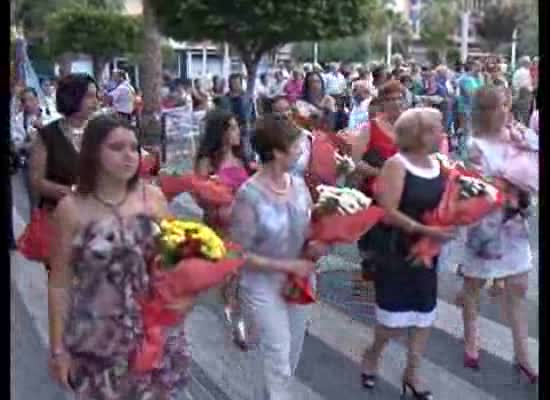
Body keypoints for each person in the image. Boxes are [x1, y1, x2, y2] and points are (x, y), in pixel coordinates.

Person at [47, 115, 191, 399]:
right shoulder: (71, 209)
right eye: (117, 147)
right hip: (98, 338)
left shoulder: (154, 198)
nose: (129, 156)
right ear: (93, 153)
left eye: (134, 147)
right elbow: (59, 284)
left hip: (156, 332)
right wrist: (58, 348)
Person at [230, 114, 327, 400]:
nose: (301, 151)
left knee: (290, 357)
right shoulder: (249, 194)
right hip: (262, 284)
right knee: (278, 356)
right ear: (276, 152)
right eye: (295, 146)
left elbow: (309, 227)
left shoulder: (297, 185)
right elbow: (239, 253)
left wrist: (321, 241)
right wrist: (286, 264)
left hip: (299, 281)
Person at [359, 108, 454, 399]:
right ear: (420, 134)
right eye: (438, 128)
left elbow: (448, 200)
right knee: (391, 321)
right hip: (397, 251)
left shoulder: (439, 163)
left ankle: (412, 373)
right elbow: (387, 212)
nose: (443, 134)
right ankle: (372, 355)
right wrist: (424, 230)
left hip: (427, 253)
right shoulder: (396, 165)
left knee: (423, 315)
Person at [459, 88, 538, 383]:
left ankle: (523, 356)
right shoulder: (475, 145)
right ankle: (471, 339)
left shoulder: (520, 136)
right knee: (474, 285)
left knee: (517, 287)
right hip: (486, 228)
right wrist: (510, 180)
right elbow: (474, 184)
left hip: (515, 227)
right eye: (496, 107)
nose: (504, 111)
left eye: (506, 105)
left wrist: (527, 144)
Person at [29, 73, 99, 271]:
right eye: (89, 96)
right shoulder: (47, 136)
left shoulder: (102, 131)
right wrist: (73, 193)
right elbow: (37, 181)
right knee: (63, 286)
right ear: (72, 97)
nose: (96, 102)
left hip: (98, 224)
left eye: (96, 96)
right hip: (58, 222)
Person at [11, 87, 44, 211]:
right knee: (34, 205)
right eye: (25, 101)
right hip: (28, 166)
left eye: (31, 99)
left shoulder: (50, 115)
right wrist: (30, 143)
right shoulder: (18, 120)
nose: (29, 103)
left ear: (37, 99)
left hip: (50, 165)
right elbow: (16, 146)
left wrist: (42, 132)